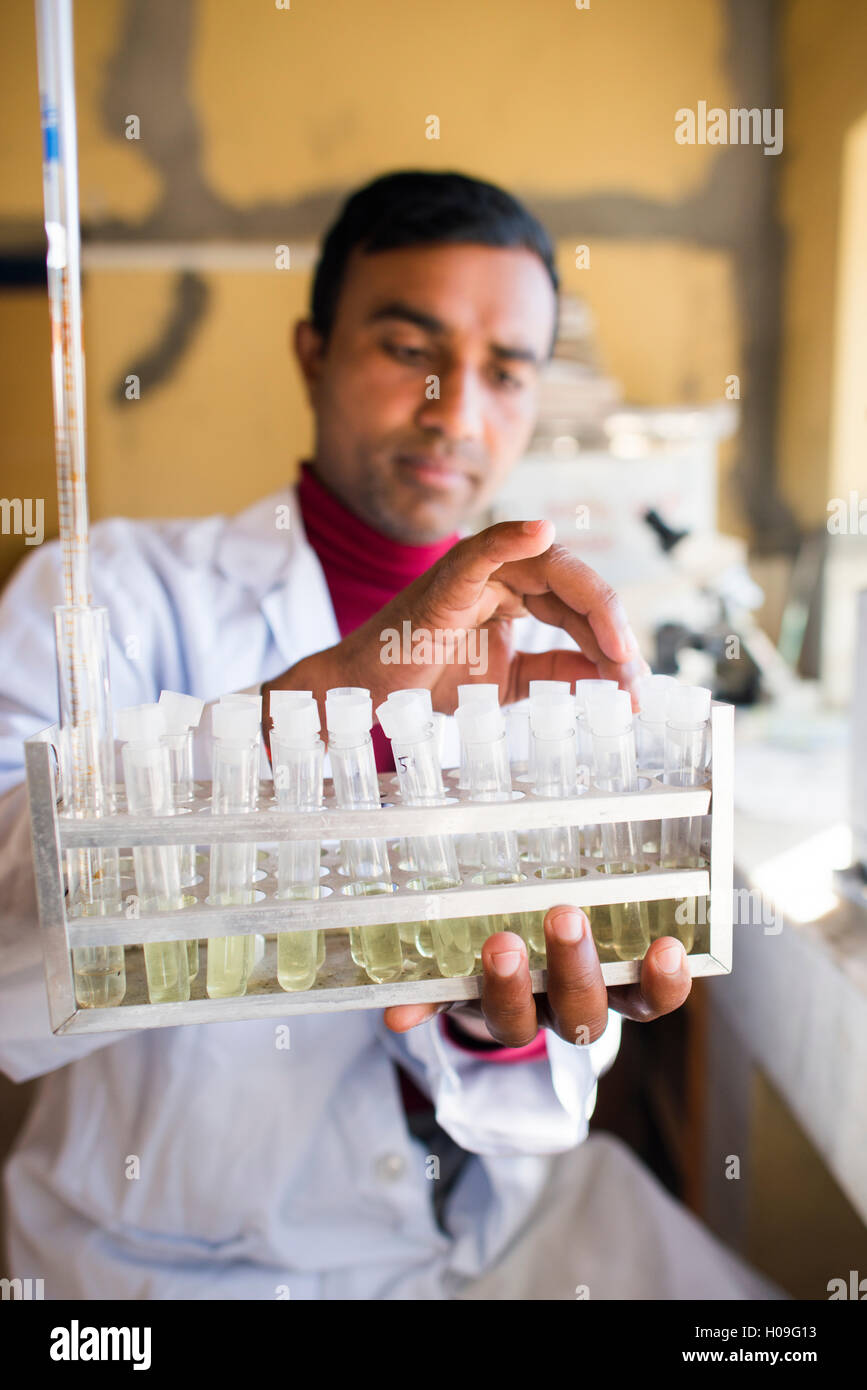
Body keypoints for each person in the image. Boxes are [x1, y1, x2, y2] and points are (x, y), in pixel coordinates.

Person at [0, 170, 778, 1300]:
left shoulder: (553, 670)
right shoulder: (107, 595)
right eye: (409, 348)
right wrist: (334, 696)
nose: (456, 411)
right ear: (313, 351)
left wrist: (496, 1030)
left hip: (499, 1230)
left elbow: (546, 1071)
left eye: (506, 371)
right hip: (175, 1268)